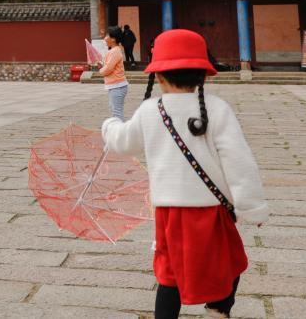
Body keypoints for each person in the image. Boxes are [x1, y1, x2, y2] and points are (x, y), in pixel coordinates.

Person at [102, 29, 268, 318]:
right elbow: (239, 163)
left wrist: (109, 126)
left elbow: (122, 142)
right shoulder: (217, 109)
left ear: (159, 76)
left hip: (169, 213)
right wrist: (252, 208)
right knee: (227, 264)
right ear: (203, 75)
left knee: (169, 274)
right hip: (211, 210)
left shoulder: (149, 109)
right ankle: (218, 311)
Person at [96, 25, 128, 121]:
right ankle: (120, 132)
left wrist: (101, 70)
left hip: (117, 86)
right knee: (115, 111)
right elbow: (108, 65)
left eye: (107, 36)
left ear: (113, 39)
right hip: (116, 86)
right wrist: (102, 65)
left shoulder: (115, 51)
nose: (105, 38)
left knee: (116, 113)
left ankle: (120, 134)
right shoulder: (114, 51)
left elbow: (108, 69)